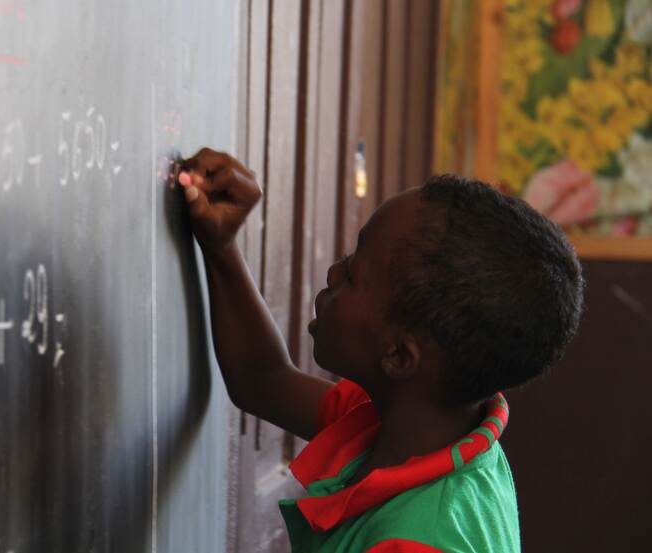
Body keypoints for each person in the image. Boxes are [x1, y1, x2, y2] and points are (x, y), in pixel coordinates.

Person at [176, 148, 584, 553]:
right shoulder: (426, 428)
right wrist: (221, 246)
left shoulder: (417, 540)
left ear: (401, 356)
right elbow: (262, 379)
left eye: (352, 273)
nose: (334, 271)